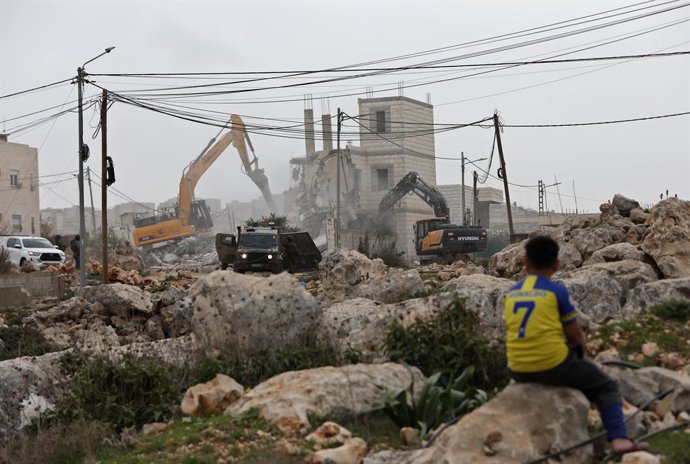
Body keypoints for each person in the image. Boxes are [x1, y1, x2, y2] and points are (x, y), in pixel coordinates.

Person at [503, 236, 649, 455]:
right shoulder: (557, 291)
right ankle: (619, 439)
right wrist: (581, 352)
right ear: (557, 265)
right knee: (606, 386)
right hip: (553, 365)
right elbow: (574, 334)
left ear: (524, 263)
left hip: (517, 369)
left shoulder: (512, 292)